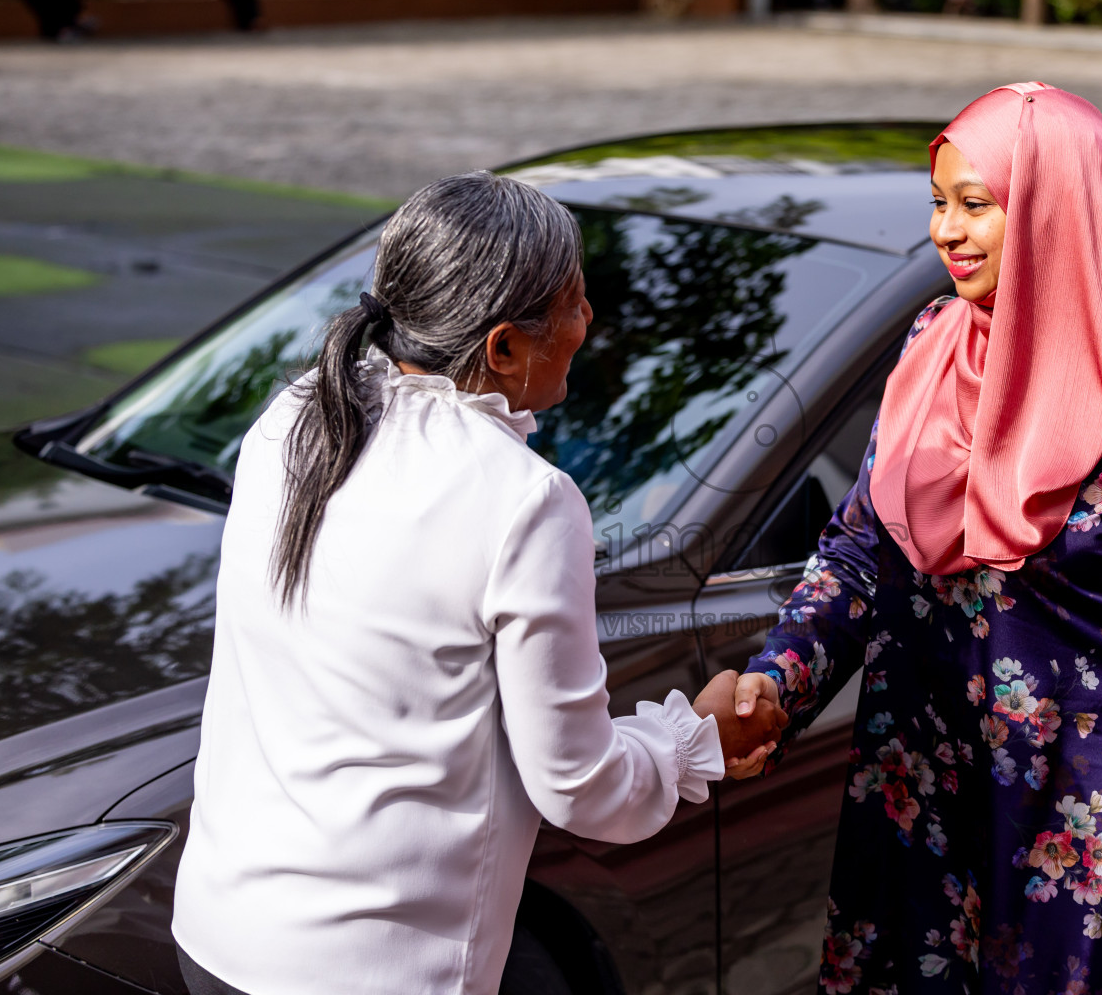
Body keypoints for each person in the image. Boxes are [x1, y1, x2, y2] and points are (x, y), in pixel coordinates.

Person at [171, 172, 784, 995]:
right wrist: (693, 742)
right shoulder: (523, 500)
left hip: (216, 934)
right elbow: (580, 787)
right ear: (502, 347)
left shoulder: (295, 415)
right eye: (573, 302)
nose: (587, 321)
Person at [725, 84, 1102, 995]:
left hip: (1081, 860)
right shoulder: (933, 348)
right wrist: (780, 680)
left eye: (976, 205)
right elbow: (864, 549)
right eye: (938, 203)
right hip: (921, 815)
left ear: (1059, 211)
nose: (947, 230)